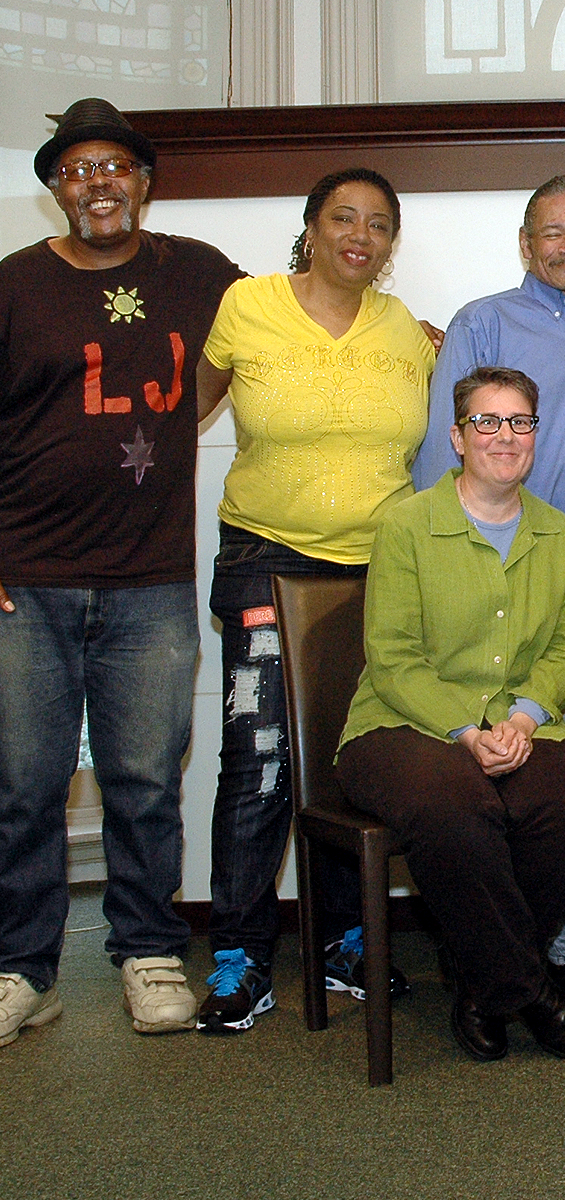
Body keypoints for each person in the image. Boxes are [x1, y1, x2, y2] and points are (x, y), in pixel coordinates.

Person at [0, 98, 243, 1047]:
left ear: (144, 181)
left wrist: (412, 337)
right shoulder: (14, 286)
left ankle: (147, 952)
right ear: (56, 189)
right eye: (76, 169)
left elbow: (275, 335)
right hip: (26, 577)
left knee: (145, 777)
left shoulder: (197, 272)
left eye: (115, 167)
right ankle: (23, 967)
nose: (98, 182)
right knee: (25, 783)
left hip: (151, 580)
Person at [190, 168, 436, 1034]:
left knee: (353, 761)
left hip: (376, 574)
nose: (358, 235)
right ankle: (240, 959)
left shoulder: (407, 330)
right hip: (263, 557)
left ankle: (343, 943)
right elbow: (181, 408)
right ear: (310, 225)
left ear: (390, 243)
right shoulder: (246, 307)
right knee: (259, 763)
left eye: (377, 223)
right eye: (342, 218)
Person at [410, 175, 565, 1003]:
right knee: (503, 759)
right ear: (526, 242)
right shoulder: (484, 323)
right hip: (504, 557)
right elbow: (445, 458)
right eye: (554, 232)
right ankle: (514, 951)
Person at [336, 367, 565, 1063]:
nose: (504, 437)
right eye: (486, 422)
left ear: (534, 435)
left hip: (518, 722)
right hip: (400, 725)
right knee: (455, 804)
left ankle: (482, 983)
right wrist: (467, 731)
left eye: (519, 422)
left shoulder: (560, 537)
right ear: (458, 437)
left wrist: (521, 721)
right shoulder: (406, 525)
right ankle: (535, 993)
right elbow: (393, 657)